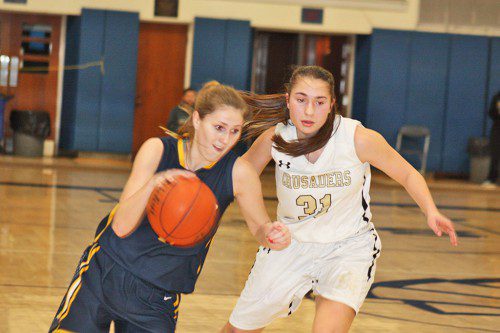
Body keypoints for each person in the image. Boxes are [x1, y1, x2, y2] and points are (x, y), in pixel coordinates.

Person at [222, 66, 458, 333]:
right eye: (301, 100)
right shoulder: (275, 138)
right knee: (237, 331)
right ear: (288, 100)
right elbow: (243, 172)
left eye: (319, 102)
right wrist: (262, 226)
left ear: (332, 103)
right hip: (289, 244)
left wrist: (430, 210)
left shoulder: (357, 139)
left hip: (348, 248)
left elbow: (406, 173)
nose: (309, 111)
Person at [49, 81, 291, 333]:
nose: (225, 140)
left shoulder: (239, 173)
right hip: (104, 273)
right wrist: (155, 184)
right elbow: (120, 227)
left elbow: (260, 228)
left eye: (234, 131)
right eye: (219, 128)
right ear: (197, 119)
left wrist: (273, 235)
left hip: (157, 298)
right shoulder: (157, 150)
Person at [483, 91, 500, 188]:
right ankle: (491, 179)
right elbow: (491, 112)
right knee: (495, 154)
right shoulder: (497, 97)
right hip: (497, 128)